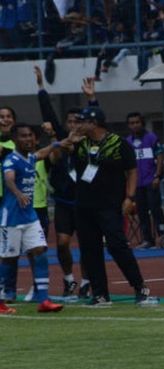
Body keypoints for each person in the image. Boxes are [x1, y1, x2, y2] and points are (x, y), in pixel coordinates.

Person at [70, 107, 154, 306]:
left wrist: (130, 197)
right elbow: (64, 157)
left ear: (94, 123)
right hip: (84, 205)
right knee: (90, 250)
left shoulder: (118, 144)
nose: (76, 126)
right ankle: (100, 294)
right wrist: (69, 143)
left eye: (81, 122)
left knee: (118, 245)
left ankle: (141, 287)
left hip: (109, 205)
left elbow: (132, 171)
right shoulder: (80, 143)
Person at [35, 71, 96, 299]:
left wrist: (92, 99)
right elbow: (48, 113)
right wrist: (41, 86)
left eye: (77, 122)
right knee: (62, 243)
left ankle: (87, 282)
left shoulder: (88, 143)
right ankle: (69, 279)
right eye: (69, 122)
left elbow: (97, 118)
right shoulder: (61, 140)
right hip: (63, 202)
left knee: (88, 245)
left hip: (85, 203)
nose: (72, 125)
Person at [0, 123, 65, 313]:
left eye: (30, 135)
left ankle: (43, 300)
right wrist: (17, 193)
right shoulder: (11, 159)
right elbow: (9, 178)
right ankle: (1, 301)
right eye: (23, 136)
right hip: (11, 218)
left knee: (41, 252)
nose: (28, 139)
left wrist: (59, 143)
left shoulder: (30, 157)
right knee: (9, 260)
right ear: (14, 139)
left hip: (29, 217)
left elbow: (43, 153)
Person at [125, 112, 164, 249]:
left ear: (142, 123)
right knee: (141, 211)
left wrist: (158, 176)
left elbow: (160, 157)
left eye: (137, 122)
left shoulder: (151, 138)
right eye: (131, 123)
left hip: (150, 180)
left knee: (155, 209)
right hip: (137, 183)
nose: (135, 125)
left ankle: (163, 236)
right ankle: (147, 239)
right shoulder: (127, 142)